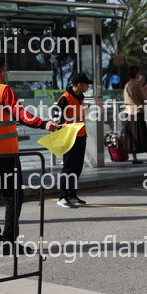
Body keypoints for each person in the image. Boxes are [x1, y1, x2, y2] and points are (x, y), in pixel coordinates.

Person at [0, 56, 58, 254]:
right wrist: (44, 124)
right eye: (6, 71)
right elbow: (21, 114)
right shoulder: (3, 90)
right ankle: (8, 243)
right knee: (14, 196)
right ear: (2, 71)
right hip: (6, 153)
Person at [54, 72, 91, 208]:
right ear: (80, 85)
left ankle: (72, 195)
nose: (88, 86)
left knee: (77, 168)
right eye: (86, 84)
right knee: (68, 168)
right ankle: (62, 197)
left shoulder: (80, 98)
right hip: (69, 138)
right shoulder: (65, 98)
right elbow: (56, 118)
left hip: (81, 137)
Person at [124, 66, 147, 165]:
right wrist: (145, 90)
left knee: (132, 135)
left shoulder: (127, 84)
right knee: (143, 135)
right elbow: (143, 98)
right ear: (136, 74)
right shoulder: (137, 84)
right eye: (138, 73)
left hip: (129, 112)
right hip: (138, 112)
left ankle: (134, 157)